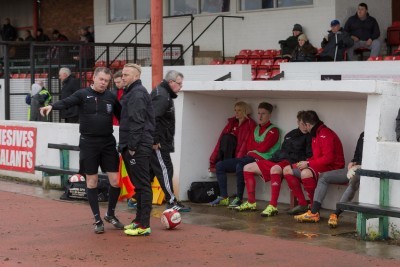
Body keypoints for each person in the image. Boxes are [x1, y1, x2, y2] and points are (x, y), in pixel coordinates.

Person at [40, 67, 123, 234]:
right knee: (91, 182)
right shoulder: (82, 94)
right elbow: (66, 102)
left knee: (115, 181)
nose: (103, 83)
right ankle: (97, 219)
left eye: (106, 81)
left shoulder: (111, 97)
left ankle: (110, 214)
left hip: (108, 142)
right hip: (88, 143)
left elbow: (122, 117)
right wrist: (51, 106)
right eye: (101, 79)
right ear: (94, 78)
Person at [238, 111, 312, 215]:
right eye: (302, 124)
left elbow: (307, 156)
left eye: (306, 124)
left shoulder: (310, 136)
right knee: (247, 167)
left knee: (275, 169)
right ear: (298, 122)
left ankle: (273, 205)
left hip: (290, 163)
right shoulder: (290, 134)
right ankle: (251, 202)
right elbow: (283, 150)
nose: (305, 127)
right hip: (277, 159)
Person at [210, 102, 280, 208]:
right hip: (248, 157)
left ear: (270, 115)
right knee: (220, 165)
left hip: (262, 160)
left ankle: (239, 198)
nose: (260, 116)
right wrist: (256, 146)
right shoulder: (256, 128)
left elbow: (264, 147)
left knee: (240, 166)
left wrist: (256, 146)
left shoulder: (274, 130)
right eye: (259, 113)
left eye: (263, 114)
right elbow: (249, 145)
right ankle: (224, 197)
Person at [295, 132, 364, 227]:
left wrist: (360, 166)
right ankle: (314, 212)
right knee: (324, 177)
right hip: (354, 168)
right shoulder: (363, 134)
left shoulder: (377, 137)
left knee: (354, 180)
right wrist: (352, 162)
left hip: (366, 170)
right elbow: (357, 154)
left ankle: (336, 213)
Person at [282, 110, 345, 215]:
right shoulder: (316, 133)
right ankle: (302, 204)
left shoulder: (325, 133)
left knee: (306, 173)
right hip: (320, 165)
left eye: (305, 125)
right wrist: (306, 162)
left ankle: (313, 209)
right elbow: (317, 157)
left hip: (333, 167)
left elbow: (328, 159)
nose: (305, 128)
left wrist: (308, 164)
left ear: (308, 124)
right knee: (287, 170)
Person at [119, 63, 155, 236]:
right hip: (133, 144)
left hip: (137, 146)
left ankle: (144, 225)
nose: (123, 77)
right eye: (123, 74)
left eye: (126, 75)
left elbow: (137, 121)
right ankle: (138, 220)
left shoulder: (138, 93)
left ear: (135, 76)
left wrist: (132, 147)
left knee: (142, 185)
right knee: (139, 186)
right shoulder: (132, 92)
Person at [150, 70, 191, 212]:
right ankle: (172, 201)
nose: (181, 87)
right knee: (165, 170)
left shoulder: (163, 94)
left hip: (161, 141)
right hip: (158, 143)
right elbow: (153, 118)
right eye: (179, 84)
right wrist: (154, 140)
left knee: (153, 172)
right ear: (171, 82)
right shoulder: (162, 96)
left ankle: (137, 198)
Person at [209, 101, 256, 173]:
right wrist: (212, 160)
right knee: (227, 137)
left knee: (229, 138)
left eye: (239, 110)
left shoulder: (250, 124)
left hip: (239, 156)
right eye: (235, 110)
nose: (236, 112)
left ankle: (225, 164)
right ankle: (221, 163)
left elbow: (245, 143)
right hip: (228, 153)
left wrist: (238, 159)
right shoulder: (232, 122)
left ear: (245, 111)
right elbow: (220, 140)